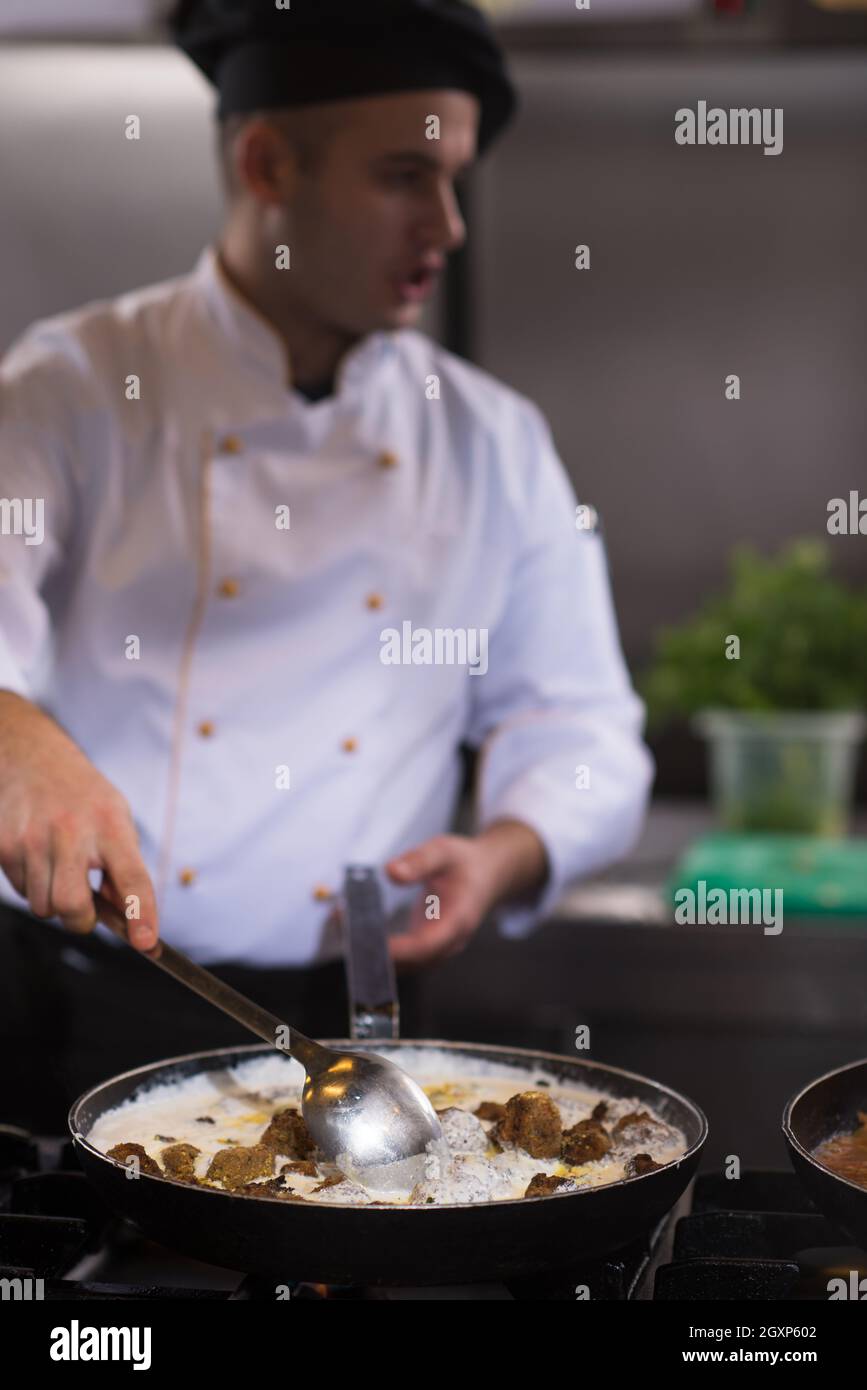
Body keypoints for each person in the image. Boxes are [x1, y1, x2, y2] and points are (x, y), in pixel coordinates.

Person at [0, 0, 653, 1130]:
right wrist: (14, 731)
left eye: (455, 180)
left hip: (363, 1037)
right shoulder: (74, 387)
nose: (447, 227)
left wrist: (503, 851)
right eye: (407, 176)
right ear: (266, 163)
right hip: (81, 1007)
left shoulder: (489, 438)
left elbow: (583, 726)